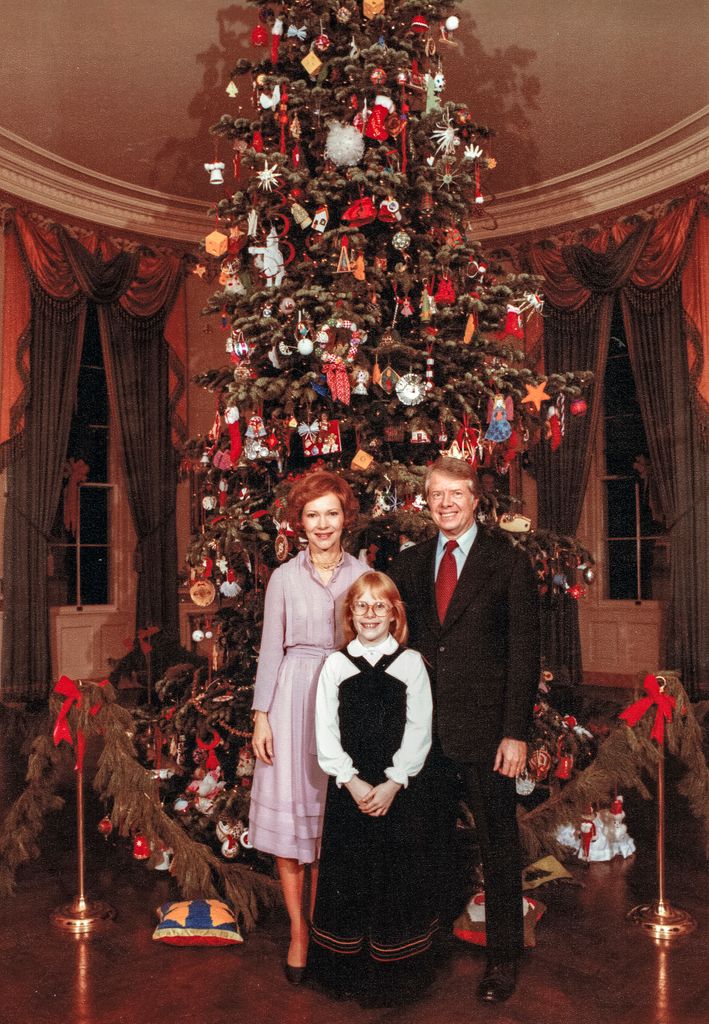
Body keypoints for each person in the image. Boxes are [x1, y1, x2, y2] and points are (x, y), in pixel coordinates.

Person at [389, 456, 540, 1004]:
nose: (446, 503)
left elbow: (524, 654)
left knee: (498, 846)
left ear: (476, 500)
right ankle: (429, 946)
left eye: (456, 493)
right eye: (437, 494)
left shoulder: (508, 562)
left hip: (488, 732)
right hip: (424, 734)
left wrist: (515, 732)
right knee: (426, 840)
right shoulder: (408, 564)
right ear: (426, 502)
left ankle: (503, 958)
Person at [249, 470, 367, 984]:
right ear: (300, 522)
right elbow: (270, 651)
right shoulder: (283, 578)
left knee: (329, 826)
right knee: (292, 827)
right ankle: (299, 932)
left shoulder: (363, 576)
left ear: (346, 519)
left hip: (343, 702)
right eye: (312, 515)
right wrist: (262, 717)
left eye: (331, 514)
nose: (322, 524)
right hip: (291, 702)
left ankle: (322, 928)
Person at [309, 571, 437, 1006]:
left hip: (396, 793)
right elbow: (325, 730)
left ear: (394, 614)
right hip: (351, 791)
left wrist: (394, 782)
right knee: (349, 876)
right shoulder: (335, 665)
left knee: (394, 877)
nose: (370, 614)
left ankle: (393, 979)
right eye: (361, 605)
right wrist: (349, 779)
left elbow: (419, 729)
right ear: (350, 614)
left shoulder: (411, 663)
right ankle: (343, 973)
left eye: (379, 606)